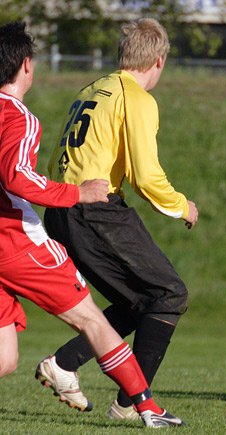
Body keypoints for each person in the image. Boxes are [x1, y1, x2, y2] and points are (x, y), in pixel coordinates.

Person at [0, 21, 184, 428]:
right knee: (161, 296)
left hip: (60, 212)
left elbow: (52, 163)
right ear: (159, 60)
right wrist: (181, 207)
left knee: (6, 357)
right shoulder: (132, 97)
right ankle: (138, 404)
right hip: (62, 220)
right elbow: (146, 176)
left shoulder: (93, 88)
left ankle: (66, 364)